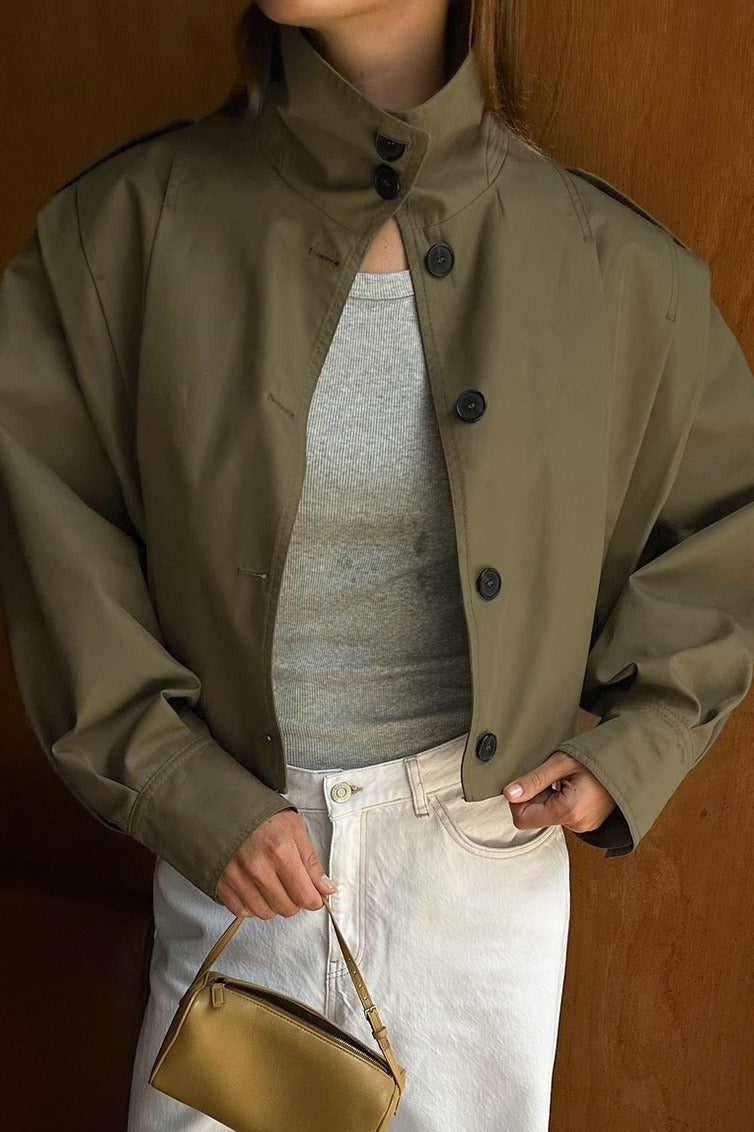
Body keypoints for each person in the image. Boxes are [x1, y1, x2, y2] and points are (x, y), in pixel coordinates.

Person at [0, 1, 752, 1130]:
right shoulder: (119, 233)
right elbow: (57, 543)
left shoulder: (613, 267)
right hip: (235, 864)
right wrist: (181, 787)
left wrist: (635, 744)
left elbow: (727, 527)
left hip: (483, 868)